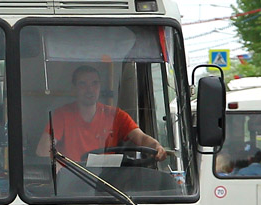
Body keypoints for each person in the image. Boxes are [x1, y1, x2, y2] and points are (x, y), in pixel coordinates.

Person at [35, 65, 167, 163]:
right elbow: (43, 150)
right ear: (74, 88)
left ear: (100, 86)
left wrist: (156, 146)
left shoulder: (116, 116)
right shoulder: (61, 115)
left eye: (94, 83)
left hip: (110, 185)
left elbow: (142, 138)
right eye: (83, 84)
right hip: (71, 185)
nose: (90, 90)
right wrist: (60, 167)